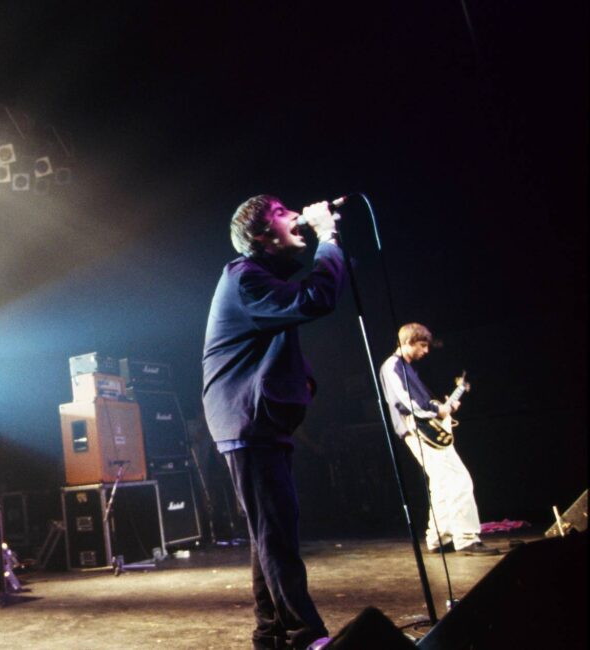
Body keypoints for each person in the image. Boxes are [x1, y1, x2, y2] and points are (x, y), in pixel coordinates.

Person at [202, 194, 345, 650]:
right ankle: (307, 635)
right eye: (284, 213)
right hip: (246, 423)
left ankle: (270, 633)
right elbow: (317, 297)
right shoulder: (244, 277)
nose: (296, 216)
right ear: (261, 234)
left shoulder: (259, 278)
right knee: (275, 532)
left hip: (253, 423)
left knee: (270, 530)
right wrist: (329, 238)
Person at [379, 323, 497, 556]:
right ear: (408, 342)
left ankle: (439, 538)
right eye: (422, 345)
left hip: (422, 427)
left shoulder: (408, 368)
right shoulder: (392, 365)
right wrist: (436, 412)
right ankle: (466, 538)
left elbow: (421, 401)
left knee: (442, 483)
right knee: (459, 479)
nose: (426, 351)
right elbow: (403, 402)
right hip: (417, 430)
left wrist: (442, 406)